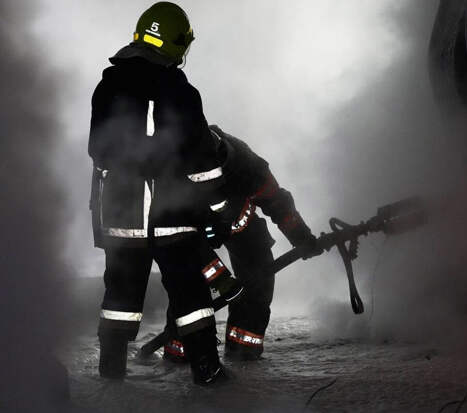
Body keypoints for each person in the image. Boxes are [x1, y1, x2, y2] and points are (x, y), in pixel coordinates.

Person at [88, 2, 232, 385]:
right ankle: (207, 371)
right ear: (176, 42)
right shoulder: (179, 91)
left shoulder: (108, 84)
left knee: (120, 297)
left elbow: (97, 150)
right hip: (172, 216)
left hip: (121, 215)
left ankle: (110, 373)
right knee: (191, 295)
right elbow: (202, 162)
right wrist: (219, 210)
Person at [162, 125, 322, 361]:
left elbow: (277, 202)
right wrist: (223, 282)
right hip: (190, 233)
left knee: (259, 274)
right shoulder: (173, 174)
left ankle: (243, 349)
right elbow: (184, 243)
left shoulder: (248, 166)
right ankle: (182, 351)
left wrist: (302, 238)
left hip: (239, 226)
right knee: (188, 283)